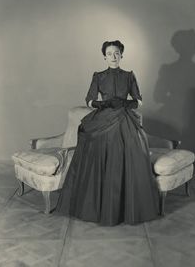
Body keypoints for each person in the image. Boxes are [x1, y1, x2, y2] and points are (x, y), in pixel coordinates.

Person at [55, 40, 159, 226]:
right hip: (103, 118)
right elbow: (89, 99)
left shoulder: (129, 76)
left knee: (132, 149)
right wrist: (101, 104)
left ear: (121, 55)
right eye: (109, 53)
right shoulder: (99, 76)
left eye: (117, 53)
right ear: (104, 56)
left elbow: (139, 100)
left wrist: (126, 103)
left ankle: (124, 208)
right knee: (97, 150)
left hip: (124, 117)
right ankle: (98, 207)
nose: (113, 56)